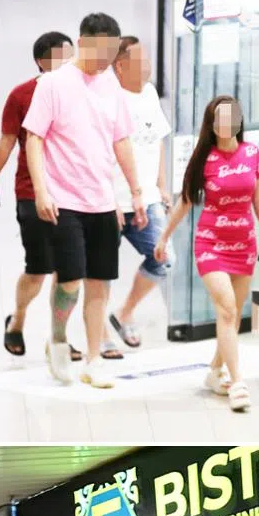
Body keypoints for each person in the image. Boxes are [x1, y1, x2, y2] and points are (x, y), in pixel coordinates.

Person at [24, 12, 148, 388]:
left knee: (100, 282)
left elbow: (121, 140)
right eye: (100, 54)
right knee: (71, 280)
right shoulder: (53, 85)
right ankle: (59, 339)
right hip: (64, 201)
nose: (104, 62)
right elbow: (34, 138)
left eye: (111, 55)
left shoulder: (110, 84)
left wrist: (136, 192)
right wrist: (41, 190)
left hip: (102, 201)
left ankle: (94, 358)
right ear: (82, 43)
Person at [153, 95, 259, 413]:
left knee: (233, 315)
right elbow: (185, 201)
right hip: (211, 244)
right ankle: (238, 382)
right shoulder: (204, 159)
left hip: (245, 245)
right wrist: (164, 237)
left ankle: (213, 371)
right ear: (212, 125)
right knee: (225, 312)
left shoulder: (251, 153)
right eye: (220, 119)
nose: (227, 124)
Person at [0, 30, 83, 362]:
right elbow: (6, 144)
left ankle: (59, 338)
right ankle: (18, 318)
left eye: (72, 55)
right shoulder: (22, 96)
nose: (70, 62)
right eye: (63, 56)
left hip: (73, 195)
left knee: (68, 272)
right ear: (42, 60)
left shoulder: (82, 93)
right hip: (31, 193)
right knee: (38, 269)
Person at [109, 35, 172, 349]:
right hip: (111, 204)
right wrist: (108, 198)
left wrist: (162, 185)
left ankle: (125, 312)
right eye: (140, 61)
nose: (147, 66)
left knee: (163, 258)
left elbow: (157, 139)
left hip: (146, 199)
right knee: (98, 272)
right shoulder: (109, 99)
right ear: (120, 67)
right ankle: (95, 338)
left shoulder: (149, 92)